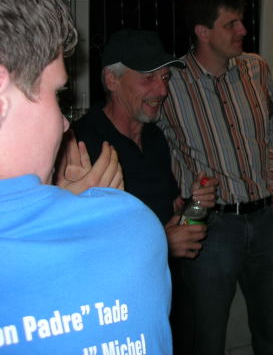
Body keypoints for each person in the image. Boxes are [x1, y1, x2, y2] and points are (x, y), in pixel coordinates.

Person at [0, 0, 172, 352]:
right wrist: (75, 217)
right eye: (57, 93)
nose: (64, 123)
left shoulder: (157, 140)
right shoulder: (126, 222)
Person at [158, 0, 273, 355]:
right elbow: (150, 143)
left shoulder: (256, 69)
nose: (243, 30)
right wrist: (173, 197)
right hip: (209, 225)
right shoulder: (170, 82)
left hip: (267, 219)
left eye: (242, 21)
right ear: (202, 32)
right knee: (207, 336)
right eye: (231, 23)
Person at [70, 29, 217, 353]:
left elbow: (170, 216)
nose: (162, 90)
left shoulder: (155, 139)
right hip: (119, 311)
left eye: (165, 78)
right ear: (111, 79)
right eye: (148, 78)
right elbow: (79, 248)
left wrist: (195, 204)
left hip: (168, 295)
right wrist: (163, 243)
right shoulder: (81, 145)